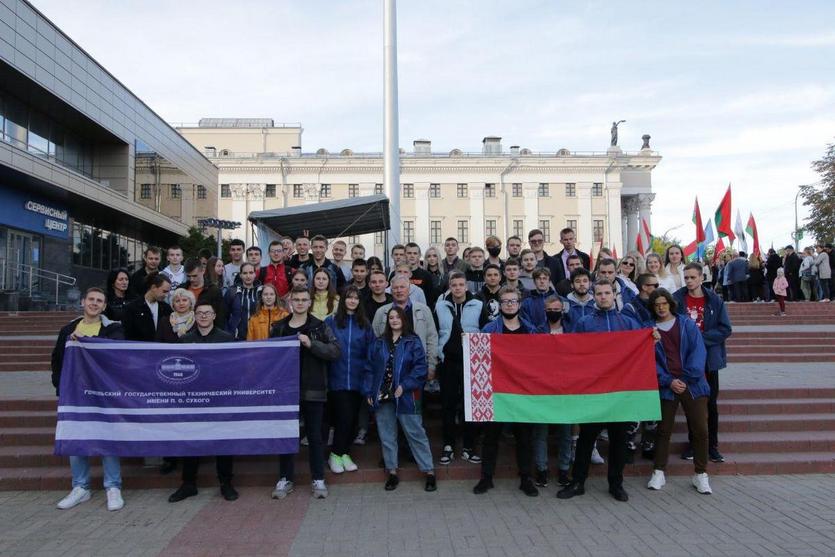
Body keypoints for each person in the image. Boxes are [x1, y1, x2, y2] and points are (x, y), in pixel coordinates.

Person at [558, 280, 640, 503]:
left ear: (614, 295)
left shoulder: (629, 323)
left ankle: (616, 484)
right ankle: (578, 482)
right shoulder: (584, 323)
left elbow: (640, 350)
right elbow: (573, 353)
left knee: (618, 441)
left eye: (607, 293)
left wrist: (651, 339)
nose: (603, 297)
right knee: (586, 439)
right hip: (592, 392)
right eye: (599, 293)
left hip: (620, 394)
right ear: (594, 296)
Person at [52, 287, 126, 511]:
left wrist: (87, 342)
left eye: (99, 301)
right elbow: (57, 361)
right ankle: (80, 487)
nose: (94, 303)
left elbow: (117, 355)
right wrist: (61, 387)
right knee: (76, 437)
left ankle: (113, 486)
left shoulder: (113, 329)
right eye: (91, 299)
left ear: (104, 306)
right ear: (83, 302)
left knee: (107, 438)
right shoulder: (67, 330)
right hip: (75, 394)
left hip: (103, 394)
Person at [270, 287, 341, 500]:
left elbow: (335, 351)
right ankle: (285, 478)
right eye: (296, 300)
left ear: (310, 302)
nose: (300, 303)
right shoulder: (280, 327)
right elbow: (269, 357)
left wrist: (312, 344)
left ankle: (318, 478)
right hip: (286, 392)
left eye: (303, 299)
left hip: (313, 389)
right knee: (287, 436)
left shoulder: (319, 326)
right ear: (290, 302)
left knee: (315, 437)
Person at [474, 286, 542, 497]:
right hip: (496, 391)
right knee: (491, 437)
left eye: (513, 301)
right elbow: (479, 359)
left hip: (523, 392)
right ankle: (486, 478)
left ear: (519, 304)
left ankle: (526, 479)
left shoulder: (531, 331)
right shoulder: (488, 329)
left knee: (524, 437)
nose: (509, 304)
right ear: (499, 305)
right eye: (505, 301)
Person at [168, 303, 237, 503]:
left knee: (223, 441)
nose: (204, 316)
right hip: (193, 400)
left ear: (214, 315)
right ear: (194, 316)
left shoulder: (227, 339)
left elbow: (234, 369)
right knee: (190, 441)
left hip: (220, 399)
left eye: (208, 312)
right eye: (199, 313)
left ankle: (226, 483)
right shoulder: (185, 341)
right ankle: (188, 484)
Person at [363, 306, 437, 492]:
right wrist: (369, 391)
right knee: (387, 436)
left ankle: (429, 472)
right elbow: (369, 369)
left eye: (398, 317)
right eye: (391, 317)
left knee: (415, 433)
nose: (394, 320)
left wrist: (405, 385)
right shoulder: (379, 342)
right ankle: (392, 473)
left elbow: (420, 368)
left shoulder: (412, 341)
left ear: (404, 319)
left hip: (406, 395)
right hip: (383, 395)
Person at [645, 288, 712, 494]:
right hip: (667, 385)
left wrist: (684, 379)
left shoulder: (686, 324)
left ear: (670, 304)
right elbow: (649, 361)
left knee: (700, 429)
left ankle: (700, 474)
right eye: (657, 305)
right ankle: (658, 471)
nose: (661, 307)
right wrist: (668, 380)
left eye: (664, 303)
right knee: (663, 430)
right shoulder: (649, 330)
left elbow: (698, 353)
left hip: (692, 384)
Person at [673, 262, 732, 463]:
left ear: (701, 278)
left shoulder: (714, 300)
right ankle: (693, 443)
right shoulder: (677, 299)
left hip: (709, 360)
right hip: (686, 360)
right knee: (692, 402)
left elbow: (725, 329)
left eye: (692, 277)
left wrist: (699, 339)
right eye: (686, 277)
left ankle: (712, 446)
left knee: (711, 404)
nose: (689, 281)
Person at [324, 287, 375, 474]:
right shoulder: (331, 321)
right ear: (343, 300)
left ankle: (344, 453)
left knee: (352, 419)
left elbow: (370, 353)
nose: (352, 301)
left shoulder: (365, 324)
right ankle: (335, 454)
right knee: (343, 418)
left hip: (358, 379)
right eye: (349, 298)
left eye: (356, 298)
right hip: (336, 379)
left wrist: (368, 380)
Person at [435, 272, 484, 466]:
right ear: (449, 287)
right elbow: (435, 331)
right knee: (448, 404)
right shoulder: (440, 306)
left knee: (470, 406)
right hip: (448, 362)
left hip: (472, 361)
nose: (457, 288)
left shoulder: (479, 305)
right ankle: (448, 445)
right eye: (453, 285)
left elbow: (485, 330)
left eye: (461, 284)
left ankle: (468, 446)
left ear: (467, 286)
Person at [532, 295, 573, 488]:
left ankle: (564, 470)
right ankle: (542, 470)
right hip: (543, 388)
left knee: (565, 433)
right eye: (550, 309)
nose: (554, 312)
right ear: (545, 310)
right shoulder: (536, 331)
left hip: (567, 388)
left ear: (562, 310)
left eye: (557, 308)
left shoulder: (573, 330)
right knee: (541, 433)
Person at [372, 275, 439, 381]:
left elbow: (432, 339)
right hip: (388, 370)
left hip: (417, 368)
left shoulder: (424, 310)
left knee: (415, 398)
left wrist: (431, 366)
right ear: (390, 290)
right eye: (395, 288)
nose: (399, 290)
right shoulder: (381, 312)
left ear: (409, 289)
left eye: (402, 287)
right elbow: (374, 341)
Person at [122, 272, 172, 342]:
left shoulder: (167, 308)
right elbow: (127, 335)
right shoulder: (131, 308)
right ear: (153, 287)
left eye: (168, 292)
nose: (166, 295)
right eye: (164, 291)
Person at [183, 258, 226, 328]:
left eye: (194, 276)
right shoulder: (182, 289)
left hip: (209, 334)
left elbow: (220, 317)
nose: (191, 279)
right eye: (188, 276)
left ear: (203, 271)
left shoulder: (214, 291)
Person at [224, 262, 261, 340]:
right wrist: (228, 334)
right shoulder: (231, 292)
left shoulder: (262, 291)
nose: (248, 276)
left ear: (255, 274)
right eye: (245, 273)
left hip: (258, 337)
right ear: (240, 275)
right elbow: (224, 316)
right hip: (237, 338)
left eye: (251, 273)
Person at [564, 268, 595, 333]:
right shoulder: (565, 304)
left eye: (585, 281)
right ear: (572, 285)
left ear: (590, 283)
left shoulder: (596, 304)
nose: (582, 284)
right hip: (572, 341)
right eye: (578, 281)